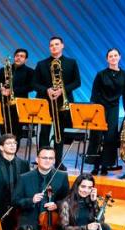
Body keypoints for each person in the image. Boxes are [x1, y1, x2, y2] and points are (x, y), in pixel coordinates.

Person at [88, 48, 125, 175]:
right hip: (100, 108)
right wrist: (93, 108)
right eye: (111, 56)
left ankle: (105, 166)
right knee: (97, 136)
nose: (113, 58)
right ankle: (95, 165)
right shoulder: (101, 74)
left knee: (110, 137)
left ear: (119, 57)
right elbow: (94, 93)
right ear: (107, 59)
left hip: (113, 108)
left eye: (115, 55)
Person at [33, 36, 81, 169]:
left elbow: (77, 82)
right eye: (51, 45)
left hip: (62, 103)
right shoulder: (41, 64)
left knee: (59, 133)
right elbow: (34, 83)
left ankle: (58, 161)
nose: (54, 47)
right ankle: (42, 161)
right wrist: (46, 90)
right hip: (46, 102)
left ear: (62, 46)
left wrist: (62, 90)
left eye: (56, 44)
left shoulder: (71, 63)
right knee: (44, 133)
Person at [13, 145, 69, 229]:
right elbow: (15, 201)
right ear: (37, 159)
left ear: (54, 160)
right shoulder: (24, 178)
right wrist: (31, 200)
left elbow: (67, 199)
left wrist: (57, 205)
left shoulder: (62, 176)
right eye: (44, 158)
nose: (47, 161)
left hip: (52, 222)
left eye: (50, 158)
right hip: (29, 221)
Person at [0, 49, 34, 142]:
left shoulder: (30, 72)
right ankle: (2, 154)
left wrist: (12, 91)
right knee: (3, 131)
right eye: (17, 55)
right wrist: (1, 90)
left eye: (22, 56)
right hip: (4, 105)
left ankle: (13, 154)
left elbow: (31, 87)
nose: (18, 58)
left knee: (17, 132)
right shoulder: (4, 69)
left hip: (19, 106)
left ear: (26, 59)